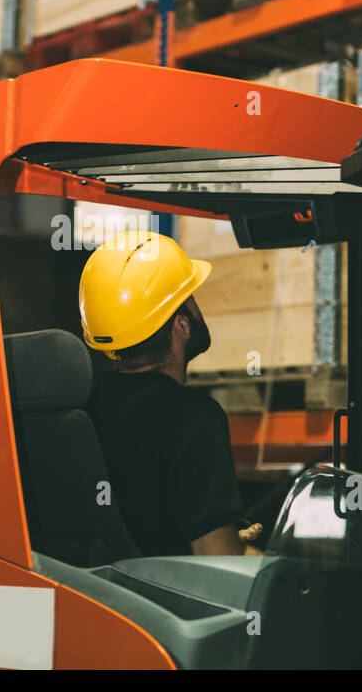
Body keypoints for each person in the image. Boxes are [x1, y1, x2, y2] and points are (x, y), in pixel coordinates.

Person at [79, 229, 263, 557]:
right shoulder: (193, 417)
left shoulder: (81, 406)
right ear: (182, 325)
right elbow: (218, 563)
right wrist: (237, 545)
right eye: (191, 299)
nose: (197, 307)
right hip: (164, 603)